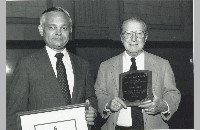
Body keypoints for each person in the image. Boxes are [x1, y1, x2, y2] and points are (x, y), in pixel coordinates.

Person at [7, 7, 97, 130]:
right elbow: (14, 116)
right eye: (52, 27)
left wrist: (93, 110)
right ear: (41, 30)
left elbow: (91, 98)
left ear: (70, 30)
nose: (58, 32)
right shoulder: (26, 65)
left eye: (64, 28)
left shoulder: (83, 64)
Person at [94, 17, 181, 130]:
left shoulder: (162, 64)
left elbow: (173, 93)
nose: (133, 39)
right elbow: (99, 94)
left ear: (146, 37)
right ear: (121, 37)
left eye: (139, 33)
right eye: (128, 33)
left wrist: (162, 105)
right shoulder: (106, 66)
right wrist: (108, 104)